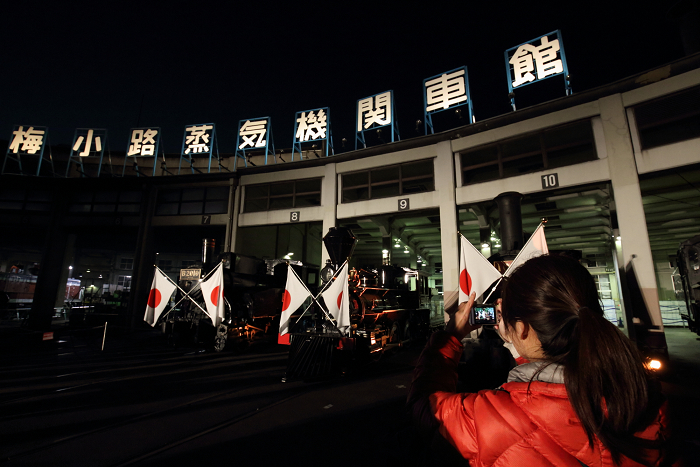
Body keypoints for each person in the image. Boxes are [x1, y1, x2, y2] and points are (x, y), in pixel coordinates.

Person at [407, 254, 674, 466]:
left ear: (522, 328)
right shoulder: (646, 397)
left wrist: (450, 337)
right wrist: (520, 348)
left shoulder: (492, 418)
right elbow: (552, 384)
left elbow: (425, 406)